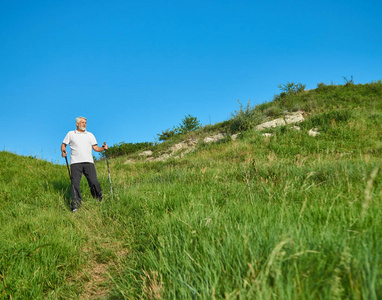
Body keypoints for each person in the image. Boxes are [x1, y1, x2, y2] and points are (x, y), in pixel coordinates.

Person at [61, 116, 108, 212]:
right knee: (75, 184)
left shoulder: (90, 135)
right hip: (75, 162)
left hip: (89, 162)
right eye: (82, 122)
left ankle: (99, 200)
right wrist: (63, 151)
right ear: (77, 124)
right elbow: (63, 144)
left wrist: (103, 148)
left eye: (85, 122)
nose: (84, 124)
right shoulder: (71, 134)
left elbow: (95, 148)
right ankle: (75, 206)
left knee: (94, 181)